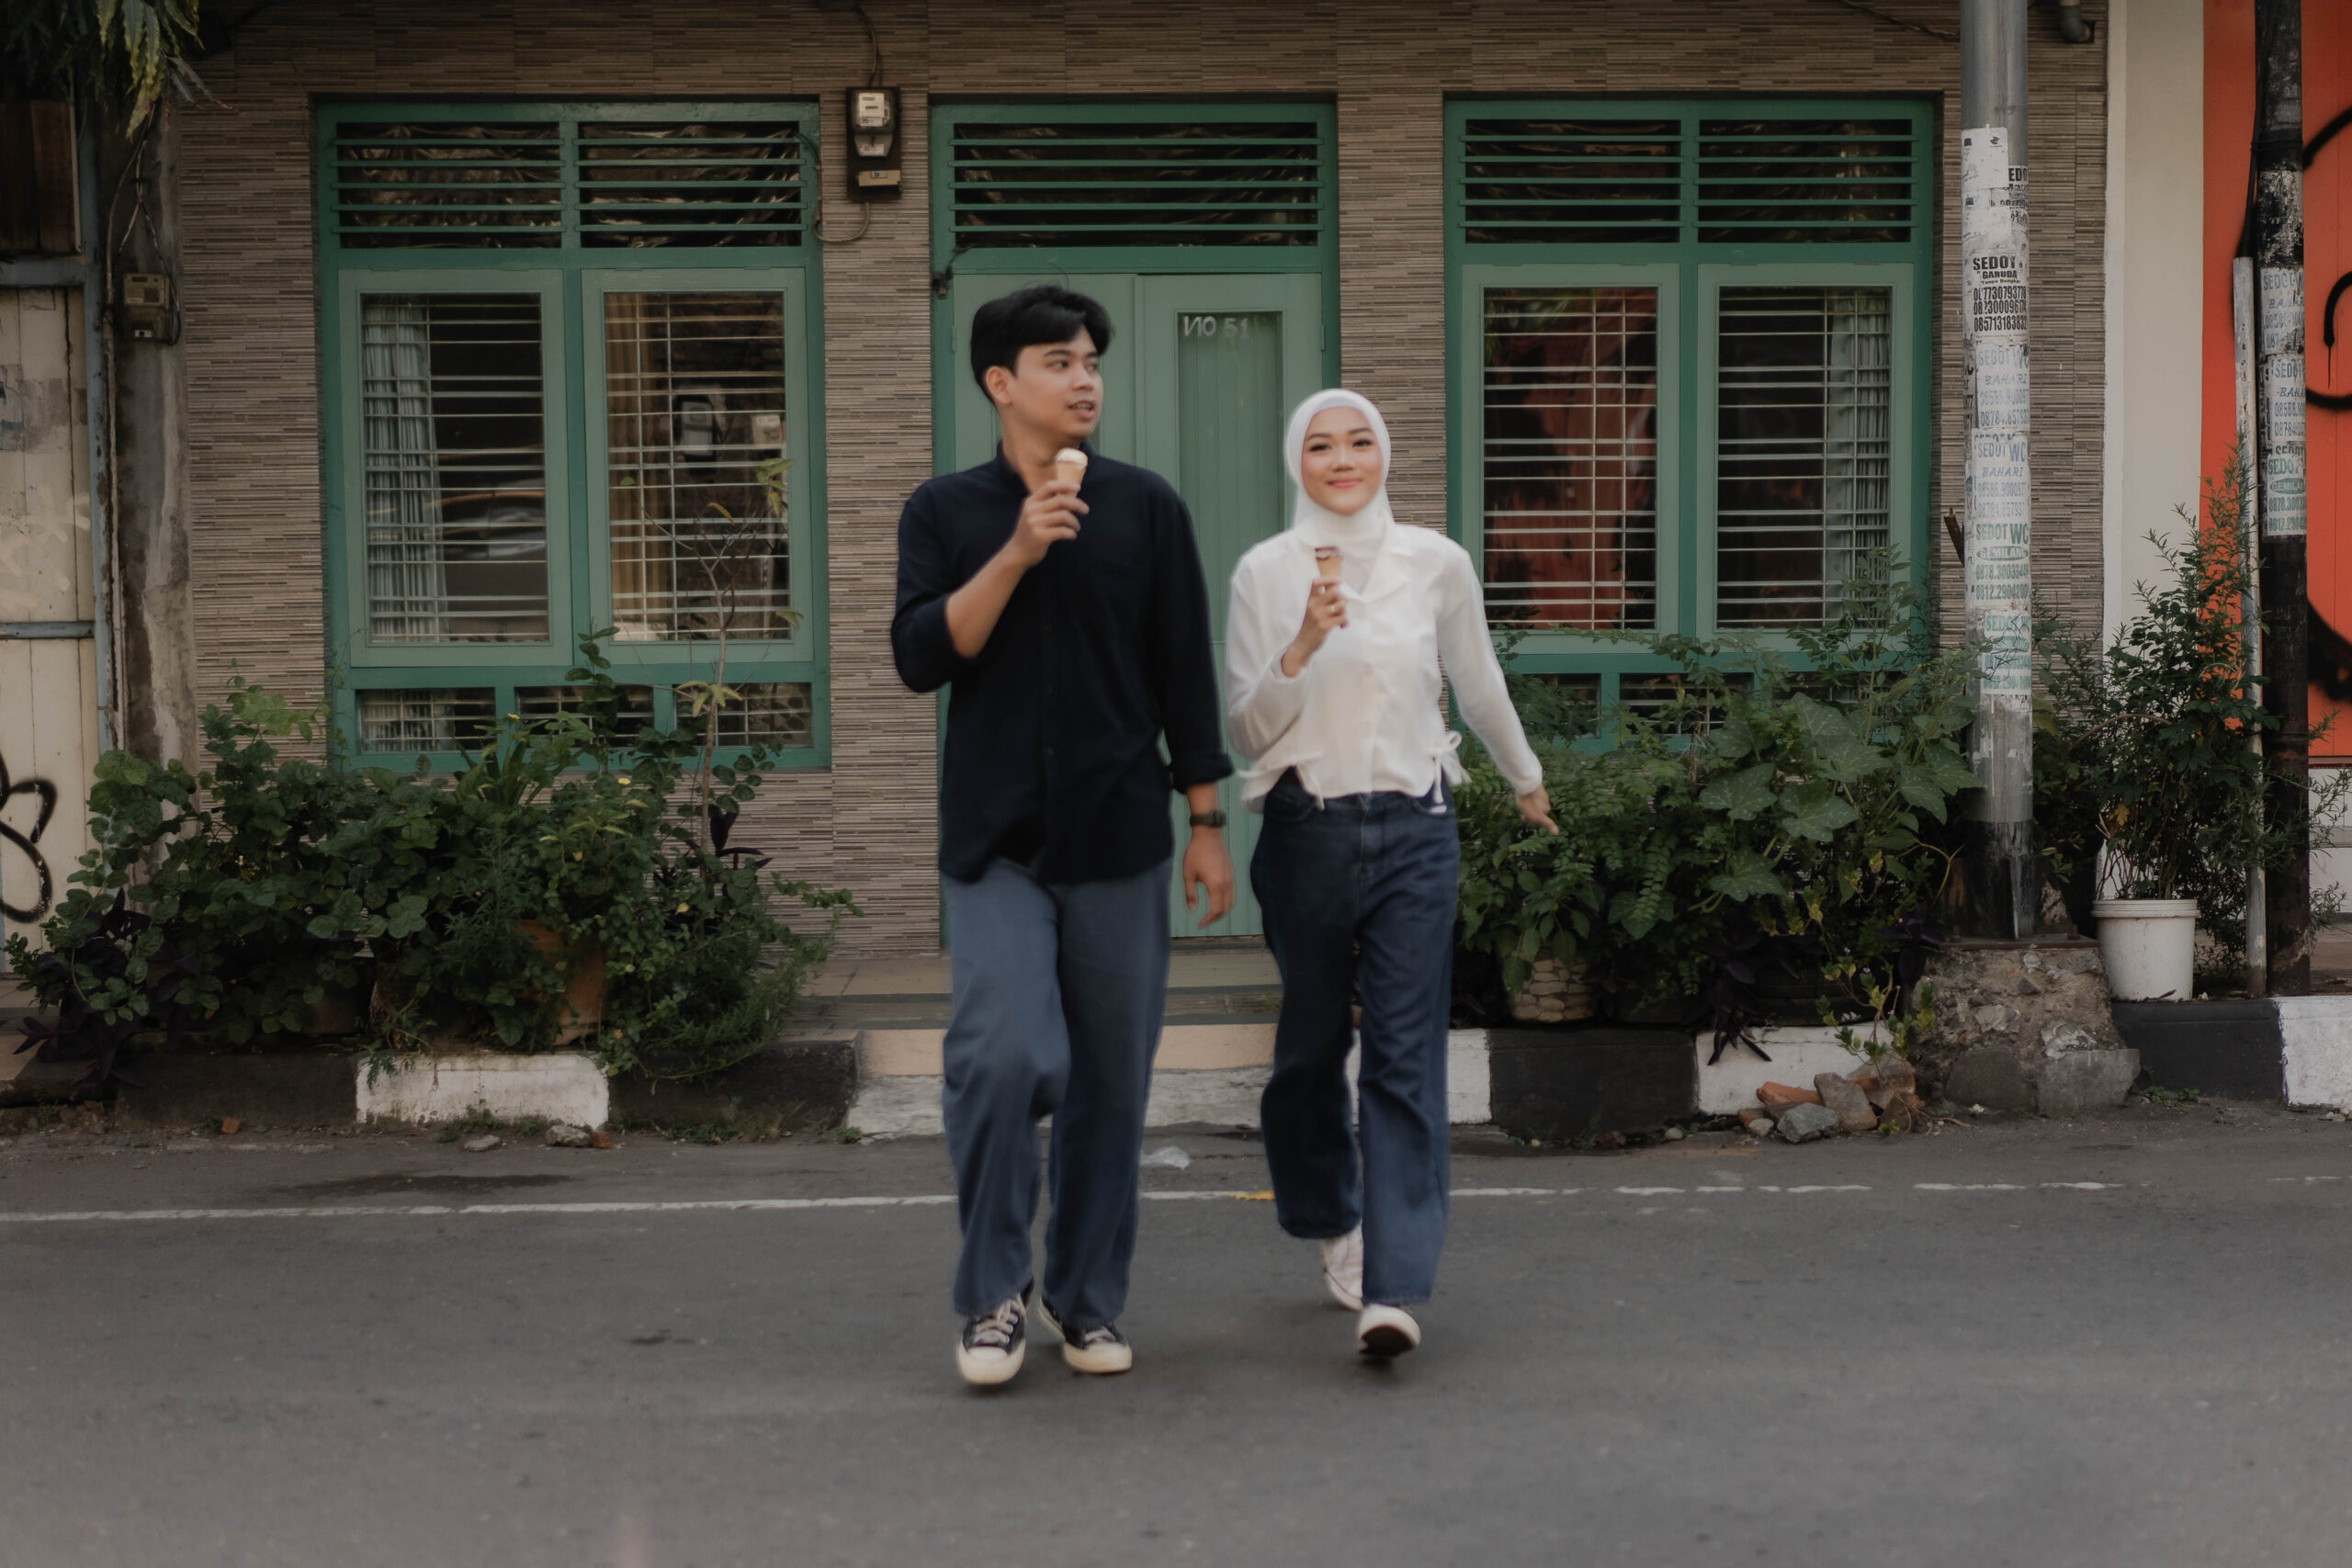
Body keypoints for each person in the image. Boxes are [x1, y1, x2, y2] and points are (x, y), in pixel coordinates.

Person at [891, 285, 1236, 1388]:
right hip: (995, 843)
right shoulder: (945, 511)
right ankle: (992, 1294)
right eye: (1059, 362)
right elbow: (919, 658)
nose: (1084, 379)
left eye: (1091, 361)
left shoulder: (1145, 507)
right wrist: (1015, 551)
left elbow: (1183, 672)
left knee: (1109, 1087)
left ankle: (1085, 1301)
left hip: (1120, 835)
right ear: (1001, 382)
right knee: (1002, 1060)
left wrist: (1206, 823)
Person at [1224, 389, 1555, 1359]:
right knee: (1309, 1052)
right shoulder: (1265, 571)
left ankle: (1393, 1285)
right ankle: (1332, 1212)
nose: (1342, 459)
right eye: (1321, 445)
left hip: (1417, 826)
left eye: (1359, 440)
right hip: (1306, 830)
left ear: (1384, 453)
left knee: (1405, 1055)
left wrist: (1524, 777)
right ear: (1297, 462)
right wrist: (1301, 644)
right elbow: (1245, 729)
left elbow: (1477, 677)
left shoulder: (1434, 561)